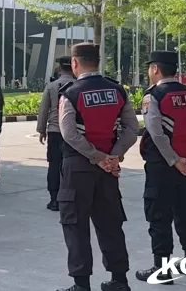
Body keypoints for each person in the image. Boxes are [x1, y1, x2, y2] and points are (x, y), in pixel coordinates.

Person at [57, 43, 138, 291]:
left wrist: (97, 157)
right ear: (98, 61)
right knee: (110, 224)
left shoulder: (71, 92)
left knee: (75, 225)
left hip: (79, 166)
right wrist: (113, 156)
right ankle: (119, 280)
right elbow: (132, 129)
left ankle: (81, 285)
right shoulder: (117, 90)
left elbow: (69, 133)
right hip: (108, 170)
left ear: (74, 63)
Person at [135, 51, 186, 283]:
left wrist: (174, 160)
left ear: (155, 69)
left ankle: (163, 269)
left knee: (159, 215)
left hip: (163, 166)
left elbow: (156, 133)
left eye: (150, 68)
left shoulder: (153, 96)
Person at [37, 56, 75, 211]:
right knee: (72, 166)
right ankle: (71, 198)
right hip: (74, 133)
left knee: (54, 165)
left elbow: (43, 110)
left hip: (54, 131)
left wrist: (41, 130)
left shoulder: (51, 86)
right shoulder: (78, 85)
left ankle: (54, 199)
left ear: (59, 69)